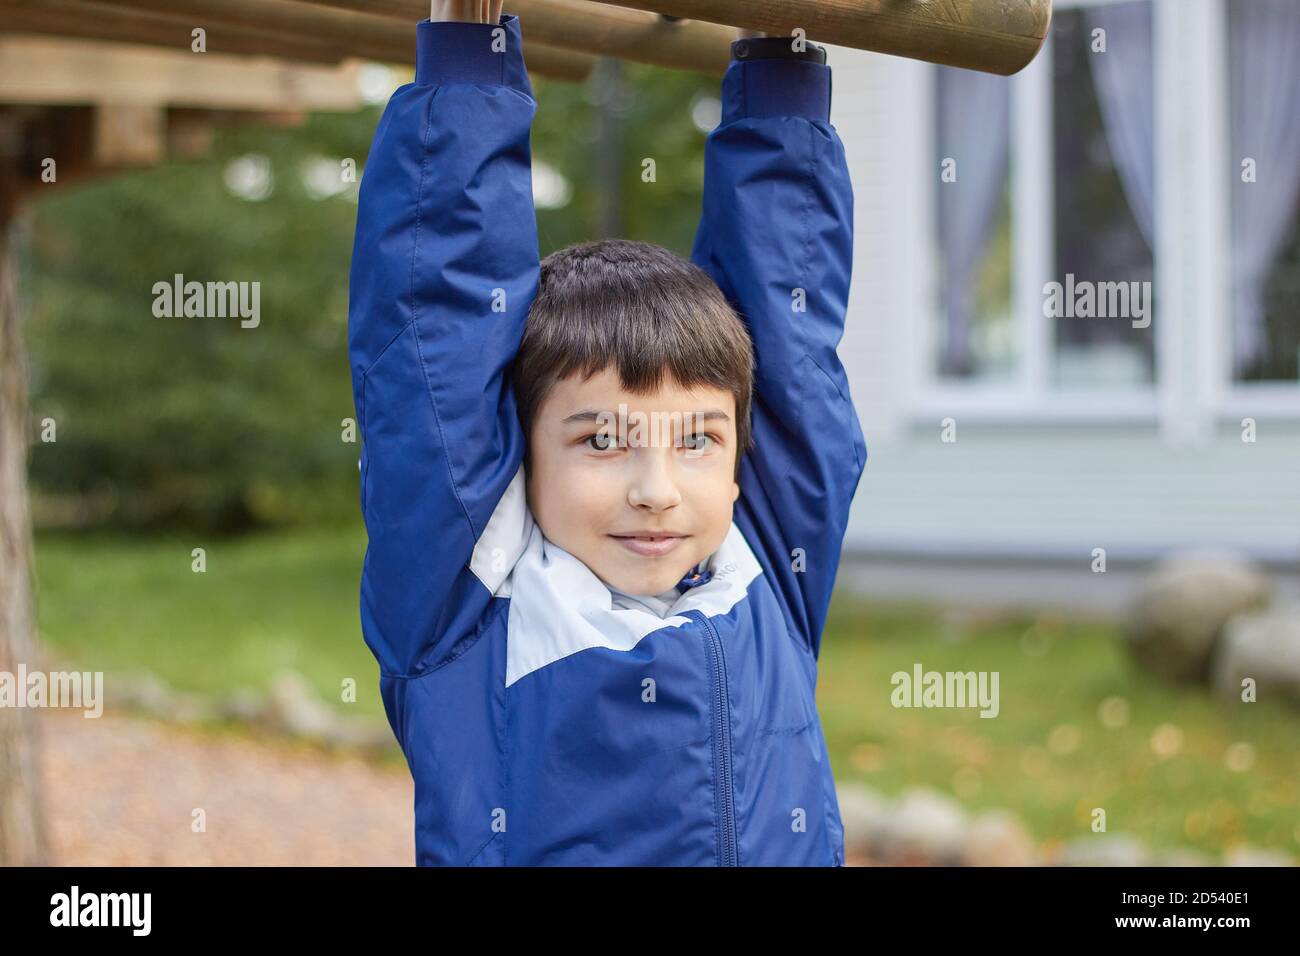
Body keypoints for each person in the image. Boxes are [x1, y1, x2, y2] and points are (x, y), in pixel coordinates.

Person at [347, 1, 866, 865]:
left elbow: (791, 328)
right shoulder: (467, 612)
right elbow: (435, 338)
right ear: (520, 452)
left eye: (697, 440)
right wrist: (470, 42)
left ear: (740, 459)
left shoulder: (767, 565)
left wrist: (786, 45)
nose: (657, 488)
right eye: (601, 441)